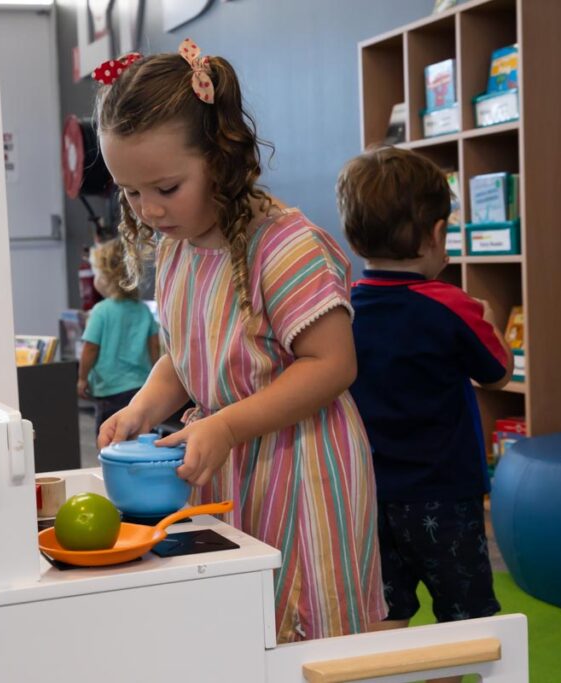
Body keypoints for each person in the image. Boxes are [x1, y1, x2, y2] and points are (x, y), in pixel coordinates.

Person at [92, 39, 386, 642]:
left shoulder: (284, 245)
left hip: (301, 472)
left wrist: (226, 425)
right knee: (239, 630)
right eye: (130, 192)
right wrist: (143, 407)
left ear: (221, 159)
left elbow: (332, 364)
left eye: (166, 188)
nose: (148, 209)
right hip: (227, 465)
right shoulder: (178, 246)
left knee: (303, 635)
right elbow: (189, 349)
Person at [336, 147, 511, 681]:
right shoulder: (450, 304)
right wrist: (486, 317)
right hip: (445, 497)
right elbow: (497, 372)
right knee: (460, 620)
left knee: (385, 611)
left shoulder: (342, 305)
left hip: (368, 494)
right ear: (437, 234)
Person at [78, 238, 160, 432]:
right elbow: (154, 347)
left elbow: (90, 348)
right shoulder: (143, 310)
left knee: (110, 438)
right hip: (141, 388)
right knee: (138, 435)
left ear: (106, 277)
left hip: (110, 390)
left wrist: (82, 378)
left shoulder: (101, 311)